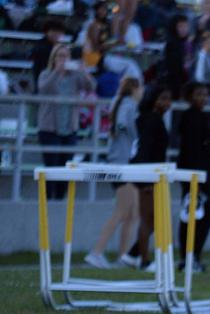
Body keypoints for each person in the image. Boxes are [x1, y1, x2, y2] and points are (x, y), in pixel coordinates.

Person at [85, 77, 143, 269]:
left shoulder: (121, 102)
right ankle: (96, 253)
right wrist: (134, 135)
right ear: (135, 88)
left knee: (133, 214)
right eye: (140, 88)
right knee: (121, 211)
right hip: (121, 164)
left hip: (125, 164)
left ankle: (123, 256)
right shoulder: (128, 103)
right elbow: (120, 124)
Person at [37, 44, 96, 200]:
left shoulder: (75, 76)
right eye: (60, 56)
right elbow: (43, 89)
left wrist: (84, 71)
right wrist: (57, 72)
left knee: (66, 167)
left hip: (70, 128)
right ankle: (47, 201)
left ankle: (60, 200)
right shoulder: (46, 74)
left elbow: (91, 87)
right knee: (51, 167)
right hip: (49, 128)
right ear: (54, 58)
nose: (63, 59)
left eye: (66, 56)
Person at [126, 83, 172, 269]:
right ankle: (143, 261)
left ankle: (133, 254)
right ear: (153, 100)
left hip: (151, 174)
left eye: (169, 99)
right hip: (148, 175)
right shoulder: (152, 120)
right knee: (148, 219)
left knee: (153, 219)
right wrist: (145, 179)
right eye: (163, 98)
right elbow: (144, 150)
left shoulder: (152, 119)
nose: (167, 103)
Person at [176, 82, 210, 273]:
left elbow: (206, 150)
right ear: (190, 96)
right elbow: (191, 151)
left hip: (203, 175)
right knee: (194, 216)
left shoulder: (204, 117)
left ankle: (192, 257)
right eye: (199, 94)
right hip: (193, 175)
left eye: (205, 95)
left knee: (204, 216)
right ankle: (188, 258)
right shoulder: (189, 118)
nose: (203, 98)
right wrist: (196, 180)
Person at [30, 18, 66, 92]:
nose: (56, 34)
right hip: (43, 76)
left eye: (59, 32)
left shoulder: (61, 46)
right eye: (53, 31)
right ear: (46, 32)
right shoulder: (40, 46)